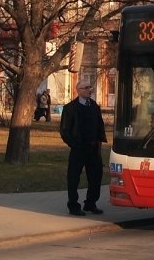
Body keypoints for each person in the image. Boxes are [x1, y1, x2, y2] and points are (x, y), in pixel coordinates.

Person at [59, 80, 107, 216]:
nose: (89, 90)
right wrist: (74, 144)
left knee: (96, 176)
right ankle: (73, 206)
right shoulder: (70, 108)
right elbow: (65, 130)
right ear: (78, 90)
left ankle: (91, 203)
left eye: (90, 87)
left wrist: (99, 140)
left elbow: (99, 125)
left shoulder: (94, 106)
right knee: (74, 177)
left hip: (93, 148)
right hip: (79, 148)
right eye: (86, 88)